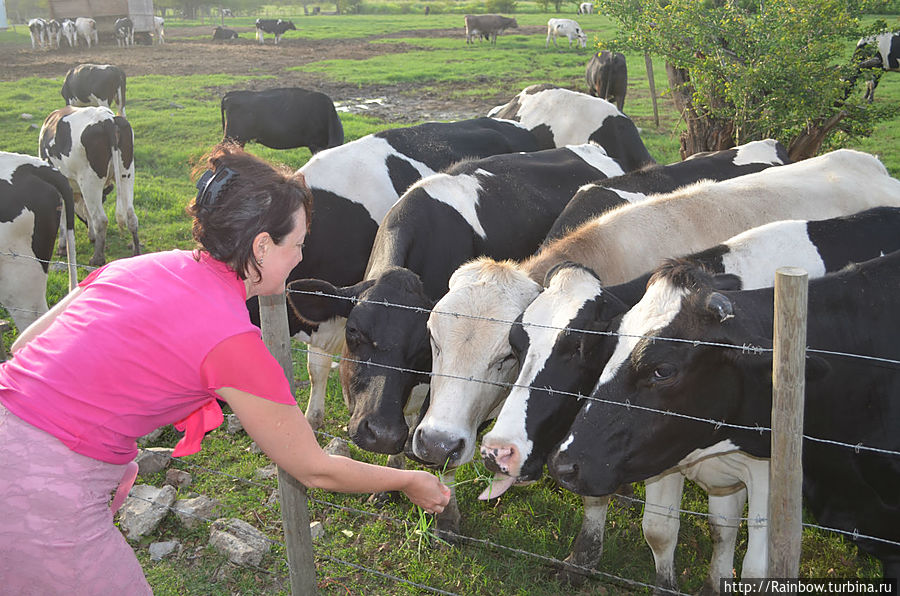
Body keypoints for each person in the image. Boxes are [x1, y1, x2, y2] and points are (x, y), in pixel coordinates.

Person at [0, 142, 450, 594]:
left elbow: (24, 345)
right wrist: (409, 479)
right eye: (296, 245)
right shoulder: (232, 342)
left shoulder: (138, 266)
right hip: (44, 488)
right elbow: (314, 468)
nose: (299, 258)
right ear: (261, 246)